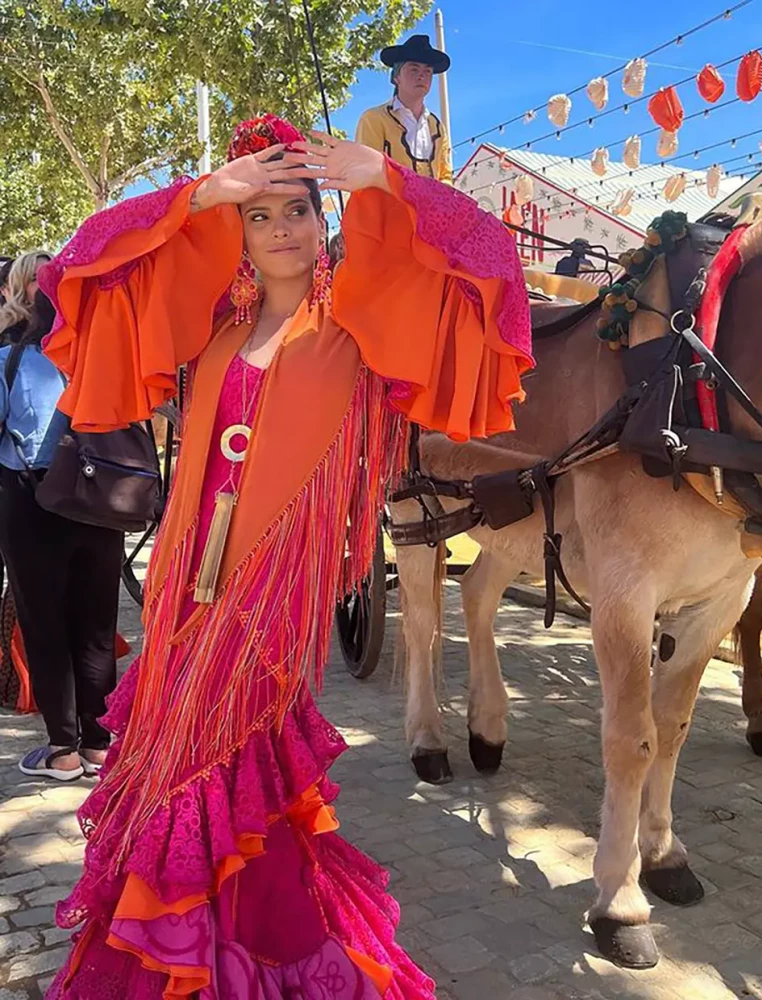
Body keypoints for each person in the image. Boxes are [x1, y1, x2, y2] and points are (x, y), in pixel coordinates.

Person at [39, 113, 531, 998]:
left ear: (324, 219)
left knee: (215, 758)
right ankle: (206, 949)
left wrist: (383, 175)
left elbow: (490, 256)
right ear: (237, 232)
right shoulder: (213, 330)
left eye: (298, 209)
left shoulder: (361, 331)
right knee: (175, 753)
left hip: (271, 597)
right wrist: (201, 194)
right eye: (259, 216)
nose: (280, 231)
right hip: (187, 585)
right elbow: (85, 258)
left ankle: (241, 949)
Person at [0, 290, 124, 780]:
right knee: (96, 625)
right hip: (101, 498)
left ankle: (62, 750)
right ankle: (98, 743)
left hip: (32, 501)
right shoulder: (103, 356)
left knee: (45, 626)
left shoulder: (9, 360)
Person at [356, 34, 453, 184]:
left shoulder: (437, 127)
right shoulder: (374, 119)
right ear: (396, 77)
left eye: (427, 71)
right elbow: (368, 173)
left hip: (430, 207)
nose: (421, 76)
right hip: (388, 206)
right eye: (414, 70)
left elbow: (445, 176)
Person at [0, 250, 52, 346]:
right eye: (34, 279)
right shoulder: (10, 340)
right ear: (22, 293)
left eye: (49, 274)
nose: (45, 281)